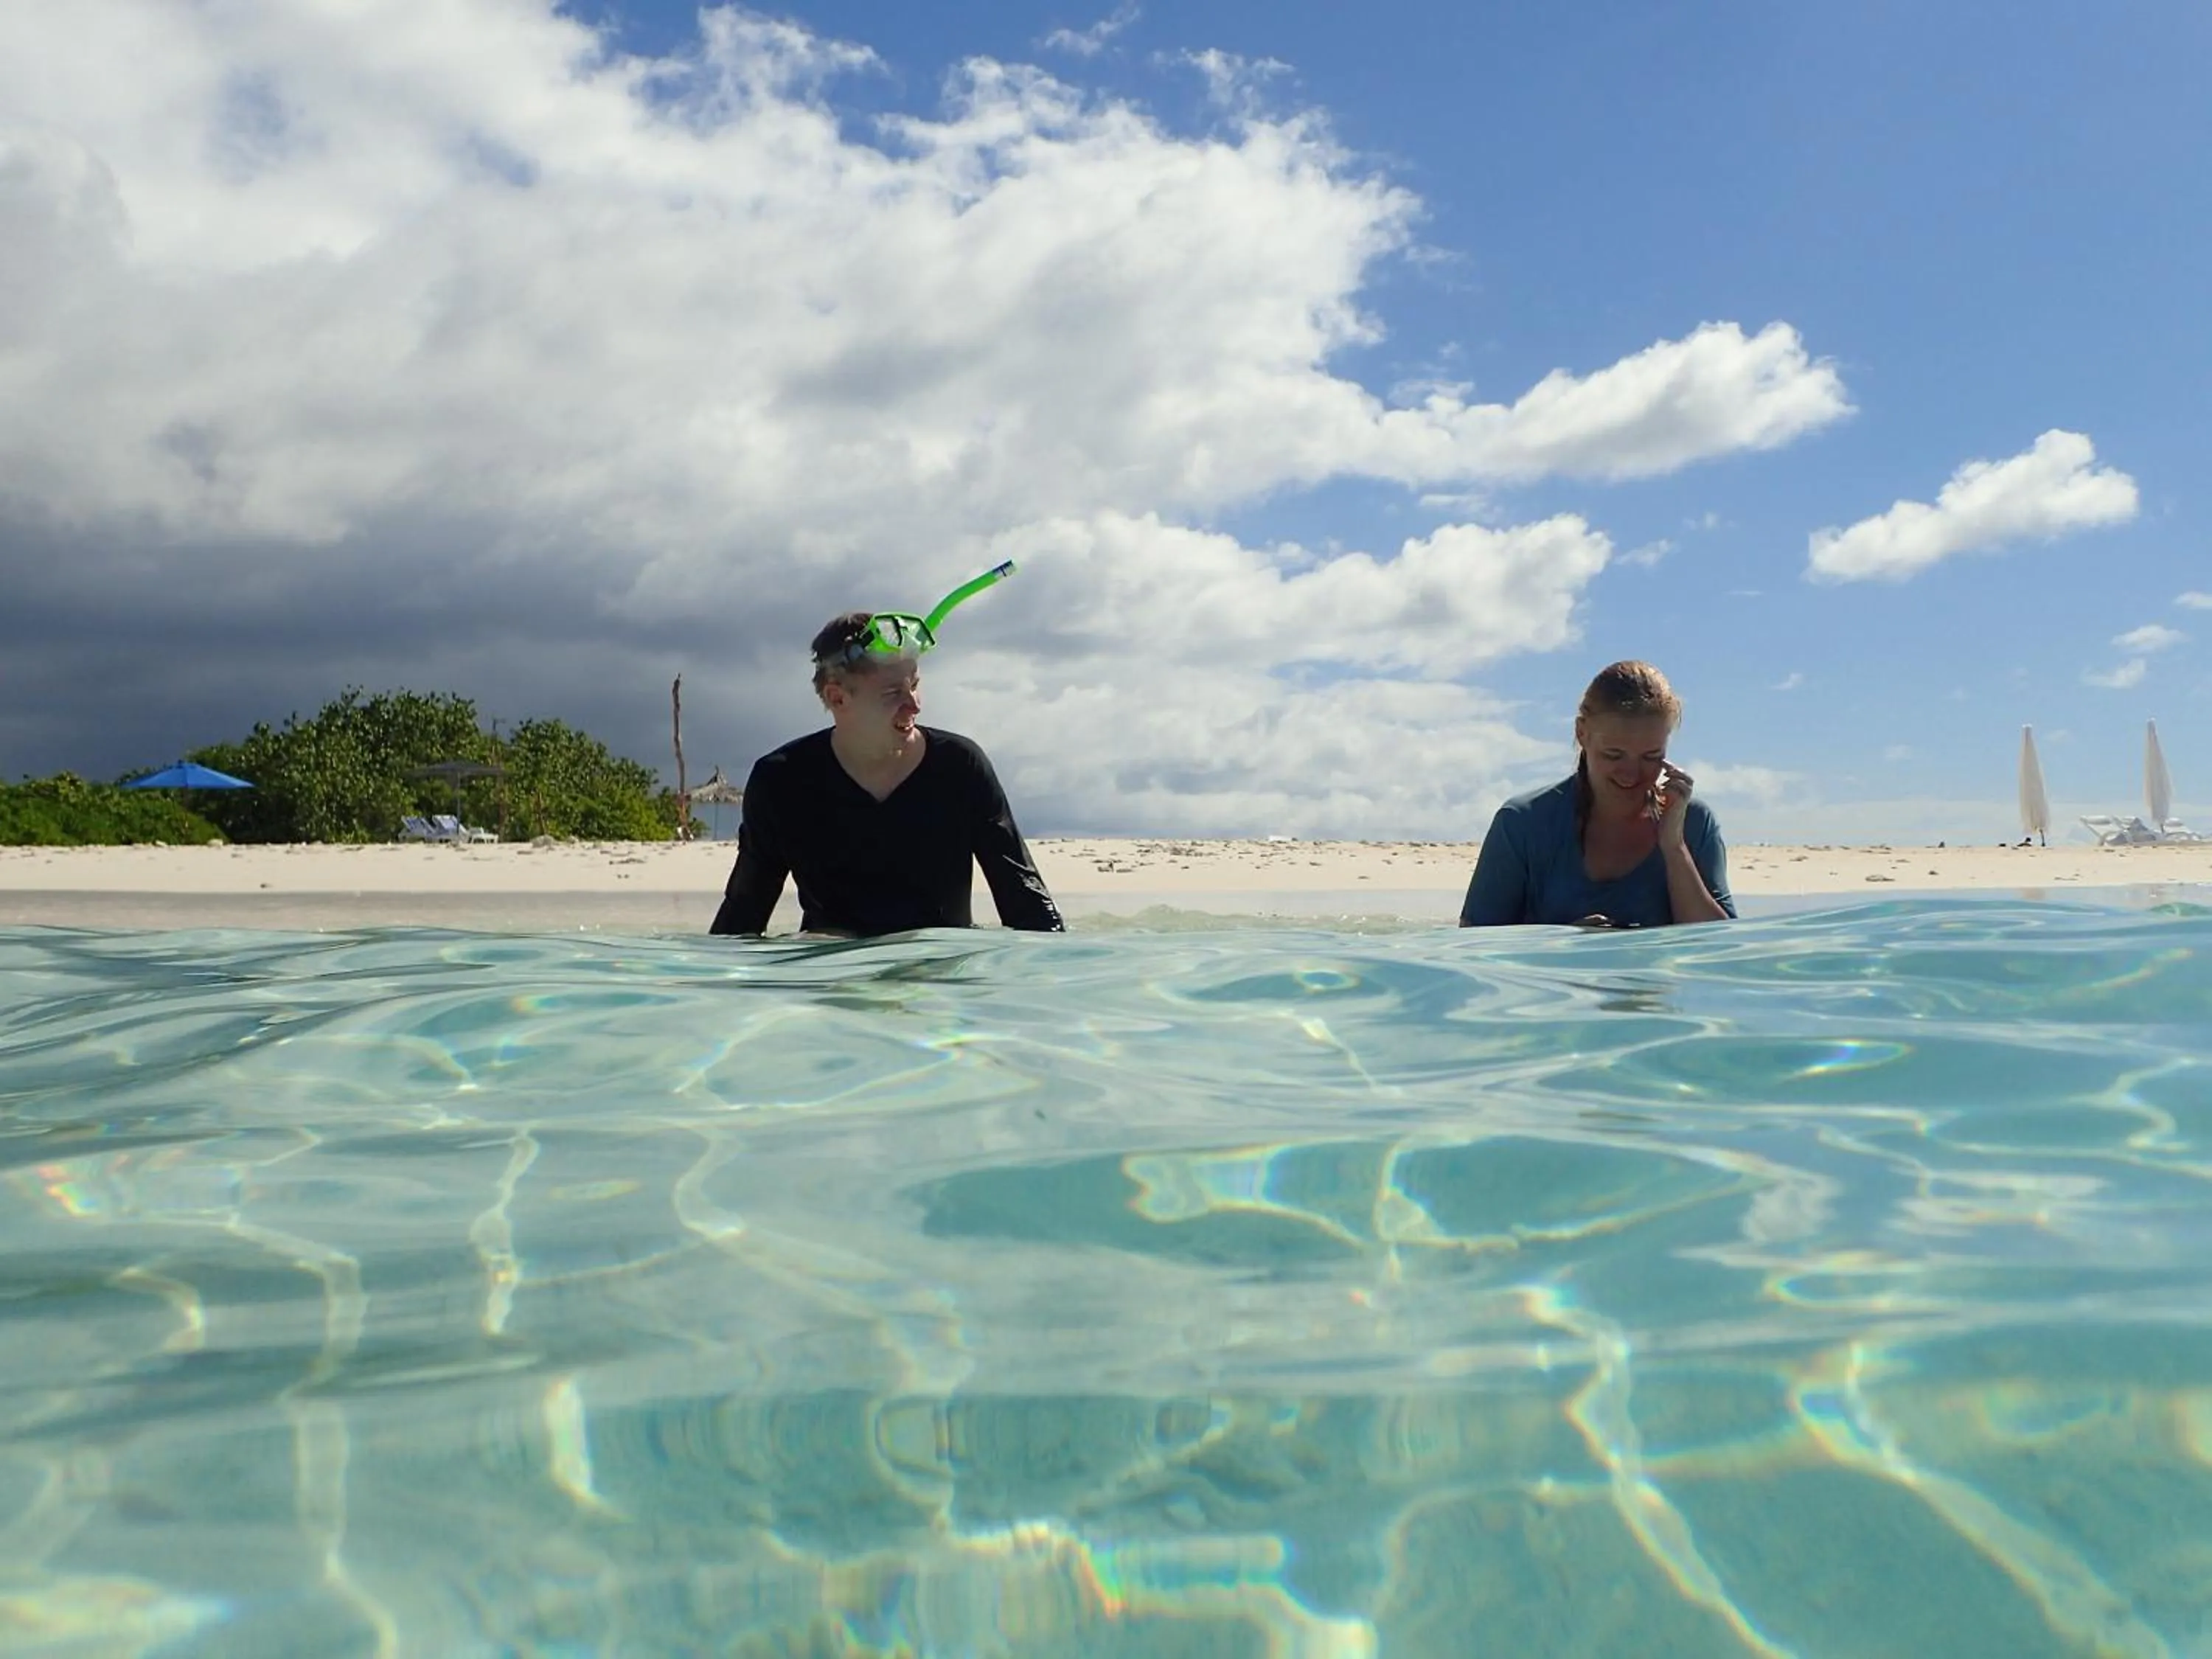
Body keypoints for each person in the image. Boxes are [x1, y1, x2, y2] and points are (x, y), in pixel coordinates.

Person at [710, 610, 1063, 936]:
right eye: (893, 692)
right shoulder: (783, 781)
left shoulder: (960, 767)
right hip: (831, 977)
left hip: (941, 980)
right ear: (838, 699)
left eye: (915, 684)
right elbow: (743, 917)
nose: (915, 704)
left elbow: (1030, 907)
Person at [1460, 661, 1734, 928]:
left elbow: (1720, 952)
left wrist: (1675, 849)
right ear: (1582, 733)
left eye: (1651, 757)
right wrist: (1563, 945)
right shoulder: (1522, 824)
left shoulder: (1694, 822)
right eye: (1613, 755)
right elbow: (1474, 948)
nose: (1631, 775)